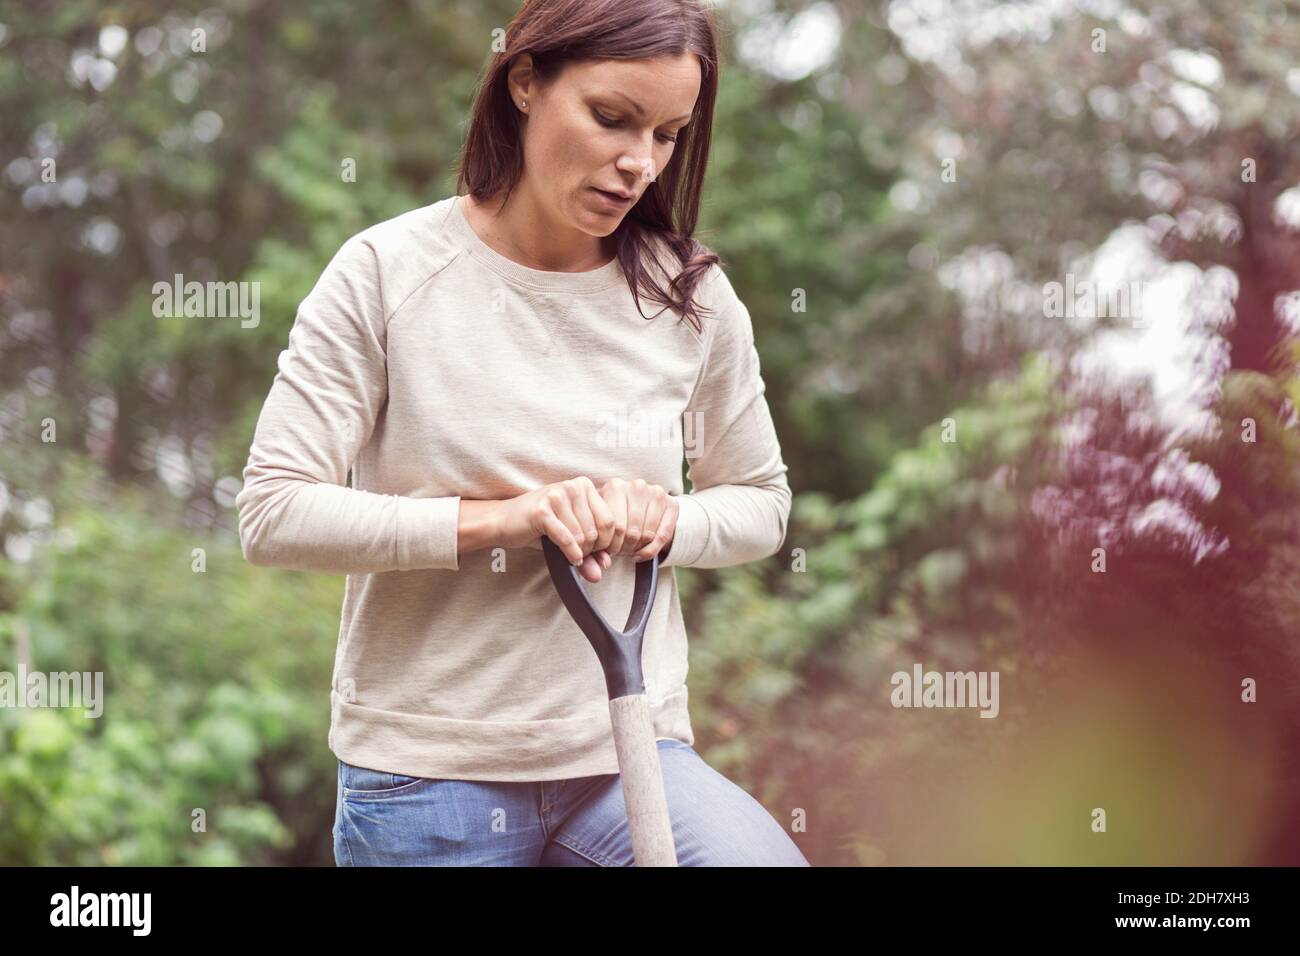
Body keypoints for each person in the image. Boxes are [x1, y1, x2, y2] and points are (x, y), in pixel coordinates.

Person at [235, 0, 807, 866]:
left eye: (667, 135)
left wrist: (666, 521)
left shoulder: (689, 298)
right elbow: (273, 515)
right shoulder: (387, 274)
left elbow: (761, 504)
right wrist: (510, 518)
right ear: (526, 81)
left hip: (627, 753)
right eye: (612, 118)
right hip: (429, 774)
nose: (636, 164)